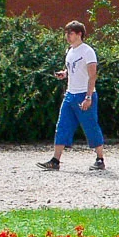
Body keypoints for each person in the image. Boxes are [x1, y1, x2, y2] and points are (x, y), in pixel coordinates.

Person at [38, 20, 106, 171]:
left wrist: (88, 97)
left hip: (84, 94)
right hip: (70, 94)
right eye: (67, 33)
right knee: (62, 126)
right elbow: (73, 69)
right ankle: (55, 160)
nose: (67, 36)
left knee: (90, 126)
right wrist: (65, 74)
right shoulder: (70, 51)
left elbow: (92, 75)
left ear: (79, 34)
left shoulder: (87, 51)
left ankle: (100, 159)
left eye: (71, 33)